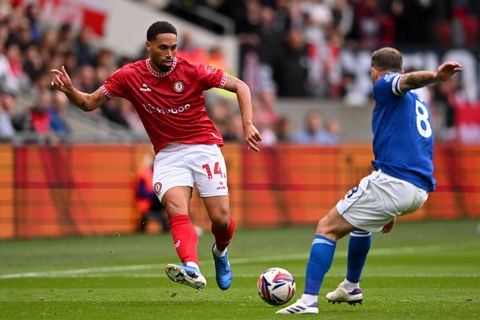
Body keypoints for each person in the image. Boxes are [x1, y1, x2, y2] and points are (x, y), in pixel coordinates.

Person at [50, 21, 262, 291]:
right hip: (168, 154)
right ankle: (192, 268)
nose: (170, 54)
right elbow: (90, 103)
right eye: (163, 48)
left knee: (220, 219)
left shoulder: (193, 70)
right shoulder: (129, 76)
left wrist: (247, 124)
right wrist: (69, 90)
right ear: (149, 46)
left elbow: (241, 86)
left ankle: (220, 252)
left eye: (174, 48)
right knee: (176, 208)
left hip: (203, 146)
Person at [277, 47, 462, 314]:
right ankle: (351, 286)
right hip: (418, 186)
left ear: (374, 72)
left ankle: (308, 301)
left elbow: (408, 80)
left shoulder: (386, 85)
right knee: (360, 225)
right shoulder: (418, 103)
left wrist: (436, 76)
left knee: (327, 227)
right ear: (400, 66)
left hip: (396, 181)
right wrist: (393, 204)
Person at [135, 153, 169, 233]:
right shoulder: (144, 173)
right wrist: (155, 194)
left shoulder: (161, 174)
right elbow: (141, 192)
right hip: (149, 205)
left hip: (160, 206)